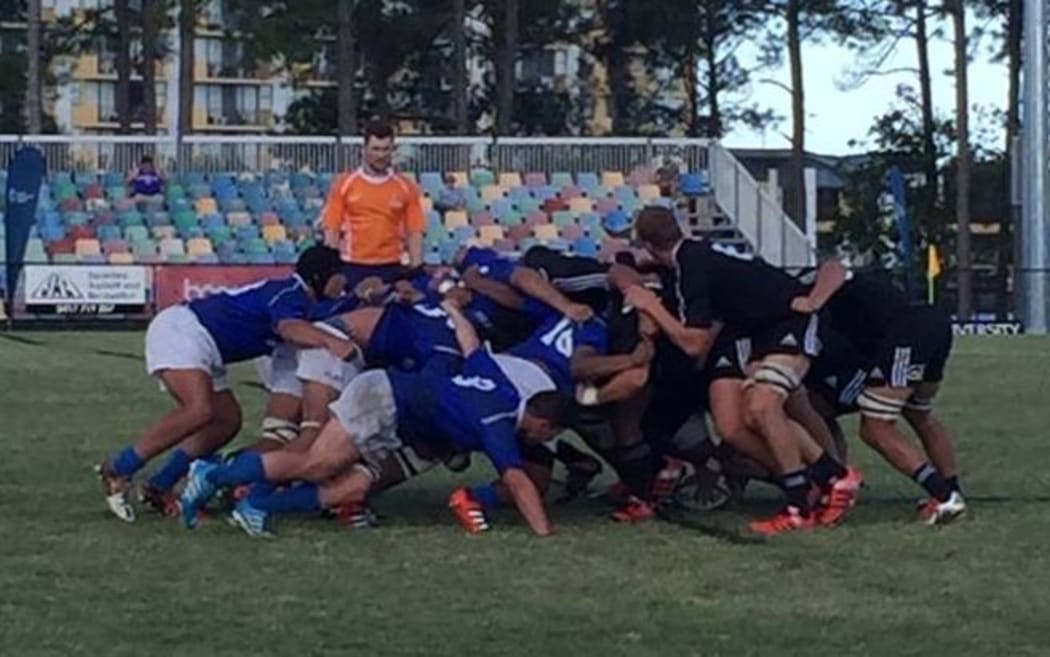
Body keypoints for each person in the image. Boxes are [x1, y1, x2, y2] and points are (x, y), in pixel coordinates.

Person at [180, 296, 570, 538]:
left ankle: (258, 508)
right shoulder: (500, 420)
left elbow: (469, 343)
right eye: (546, 436)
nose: (541, 443)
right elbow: (517, 482)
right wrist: (544, 532)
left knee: (350, 488)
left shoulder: (498, 382)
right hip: (385, 397)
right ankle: (212, 474)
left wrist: (453, 310)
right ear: (541, 422)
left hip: (405, 423)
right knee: (315, 463)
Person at [626, 207, 860, 535]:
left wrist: (649, 306)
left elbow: (694, 343)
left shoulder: (690, 267)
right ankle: (825, 477)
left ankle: (809, 494)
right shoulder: (697, 255)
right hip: (758, 330)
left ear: (649, 244)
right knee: (736, 424)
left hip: (787, 323)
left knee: (764, 407)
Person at [95, 246, 356, 523]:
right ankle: (120, 467)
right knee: (199, 411)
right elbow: (289, 328)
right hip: (185, 330)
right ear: (321, 275)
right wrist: (333, 343)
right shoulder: (290, 292)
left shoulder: (305, 300)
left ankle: (160, 485)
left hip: (207, 345)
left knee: (226, 421)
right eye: (339, 274)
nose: (343, 281)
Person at [792, 261, 966, 524]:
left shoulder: (796, 289)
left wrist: (813, 301)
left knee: (876, 427)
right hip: (927, 324)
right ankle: (952, 489)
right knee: (919, 414)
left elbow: (834, 267)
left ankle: (944, 496)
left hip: (905, 333)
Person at [322, 120, 425, 289]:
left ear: (393, 150)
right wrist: (332, 270)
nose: (381, 155)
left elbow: (415, 232)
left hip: (391, 265)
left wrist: (416, 269)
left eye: (386, 149)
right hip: (353, 265)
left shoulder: (405, 187)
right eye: (375, 149)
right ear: (364, 150)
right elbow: (332, 229)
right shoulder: (345, 184)